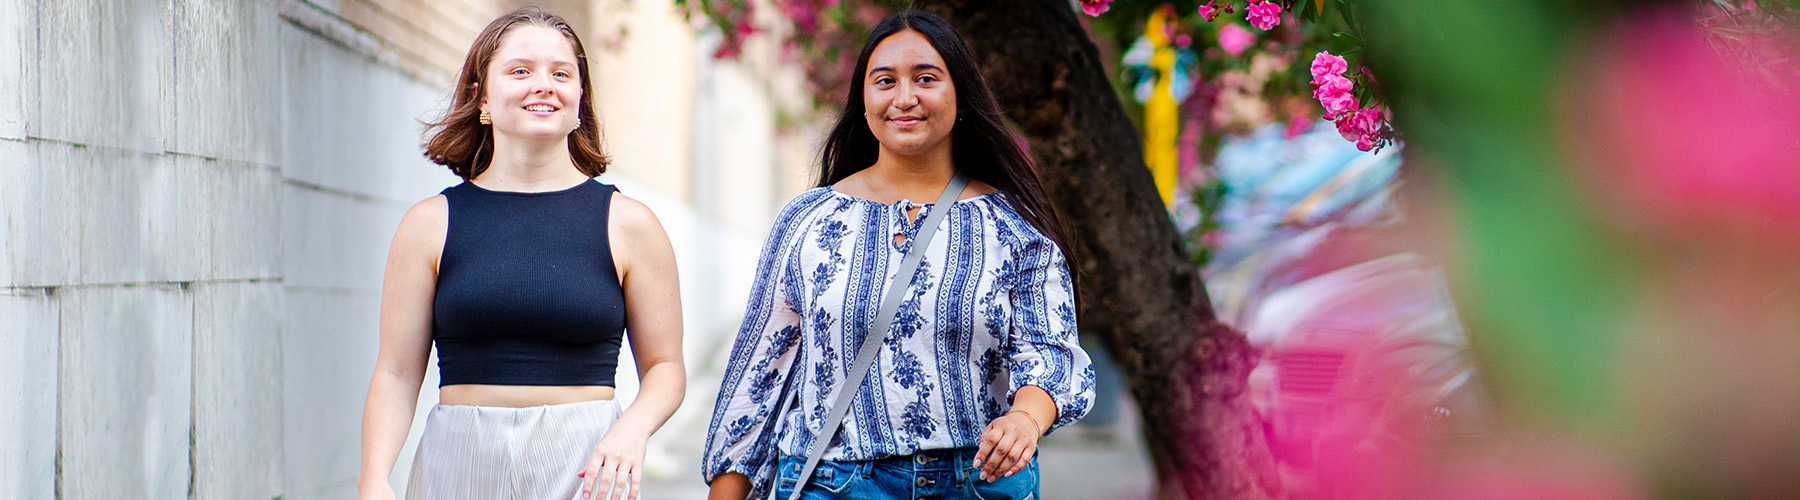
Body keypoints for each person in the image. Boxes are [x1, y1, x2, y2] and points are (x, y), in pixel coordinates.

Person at [701, 10, 1095, 500]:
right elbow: (758, 378)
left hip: (979, 482)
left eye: (926, 78)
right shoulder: (808, 221)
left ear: (962, 97)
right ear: (863, 101)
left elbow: (1051, 354)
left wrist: (1024, 419)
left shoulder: (1014, 228)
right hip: (836, 482)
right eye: (884, 81)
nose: (904, 98)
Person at [356, 7, 684, 500]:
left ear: (579, 100)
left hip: (585, 465)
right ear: (482, 96)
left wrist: (632, 429)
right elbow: (397, 373)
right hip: (458, 462)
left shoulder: (629, 223)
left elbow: (665, 367)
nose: (543, 85)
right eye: (520, 71)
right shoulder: (429, 225)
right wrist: (374, 478)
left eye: (561, 73)